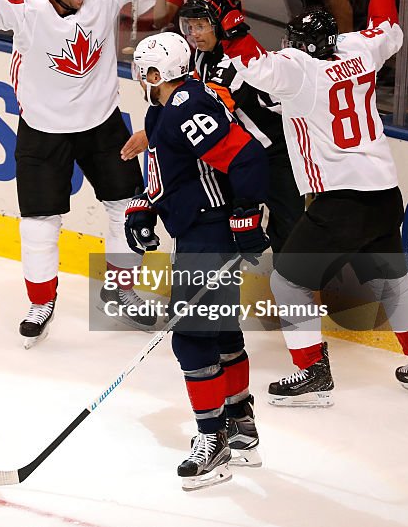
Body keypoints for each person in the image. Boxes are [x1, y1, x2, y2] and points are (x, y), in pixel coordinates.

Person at [196, 0, 408, 406]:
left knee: (287, 281)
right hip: (383, 191)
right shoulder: (356, 50)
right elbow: (387, 28)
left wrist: (231, 23)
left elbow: (255, 64)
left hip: (339, 200)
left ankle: (312, 373)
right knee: (392, 280)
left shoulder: (301, 71)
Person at [0, 0, 185, 346]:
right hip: (43, 128)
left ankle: (120, 290)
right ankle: (41, 301)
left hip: (101, 123)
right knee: (40, 221)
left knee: (127, 206)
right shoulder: (26, 2)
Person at [126, 32, 269, 490]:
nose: (138, 76)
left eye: (142, 69)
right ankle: (240, 428)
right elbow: (169, 169)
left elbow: (245, 156)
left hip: (211, 232)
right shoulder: (165, 108)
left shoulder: (187, 105)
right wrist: (143, 206)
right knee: (221, 333)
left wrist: (246, 217)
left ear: (155, 74)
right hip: (199, 229)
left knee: (190, 340)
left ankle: (213, 441)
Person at [178, 0, 303, 255]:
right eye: (190, 26)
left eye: (201, 26)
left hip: (279, 156)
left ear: (218, 26)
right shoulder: (202, 57)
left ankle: (298, 294)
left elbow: (209, 106)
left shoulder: (229, 60)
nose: (194, 34)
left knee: (291, 235)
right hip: (246, 157)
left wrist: (157, 133)